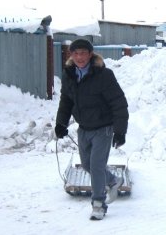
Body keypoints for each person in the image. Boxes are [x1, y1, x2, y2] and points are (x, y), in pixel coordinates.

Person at [55, 38, 129, 221]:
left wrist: (120, 131)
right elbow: (66, 101)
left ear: (90, 54)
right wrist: (60, 123)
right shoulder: (69, 74)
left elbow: (119, 103)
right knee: (87, 165)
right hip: (84, 128)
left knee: (96, 166)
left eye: (83, 53)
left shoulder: (104, 75)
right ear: (71, 55)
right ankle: (112, 181)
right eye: (76, 53)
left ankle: (98, 204)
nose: (80, 57)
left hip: (103, 128)